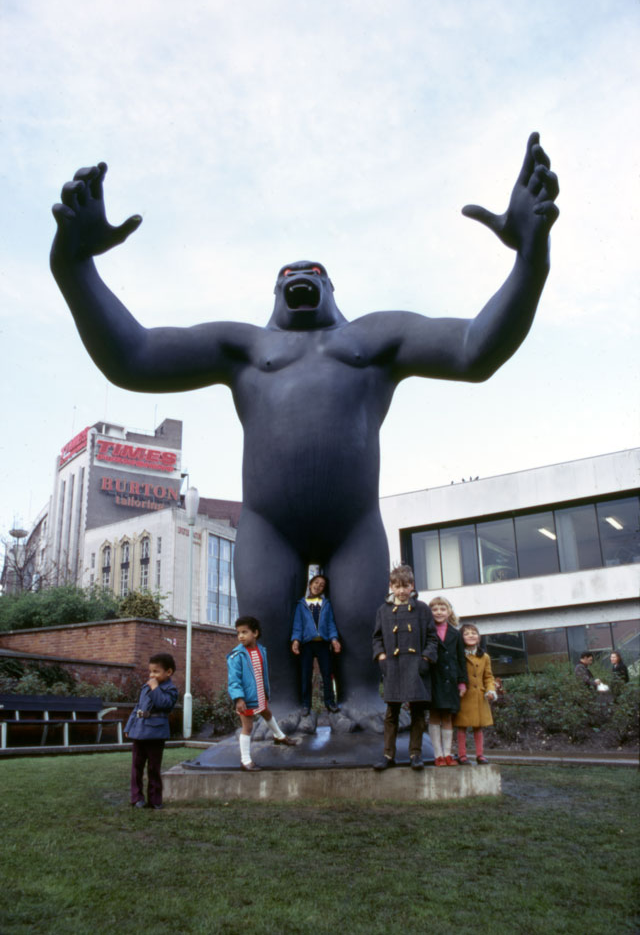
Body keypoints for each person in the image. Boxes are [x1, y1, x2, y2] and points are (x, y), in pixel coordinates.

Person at [50, 133, 559, 724]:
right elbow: (132, 357)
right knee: (278, 680)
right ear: (276, 293)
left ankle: (365, 705)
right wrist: (73, 265)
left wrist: (531, 258)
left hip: (354, 525)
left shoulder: (372, 338)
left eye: (314, 273)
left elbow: (476, 350)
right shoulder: (245, 346)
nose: (301, 278)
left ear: (331, 289)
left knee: (368, 674)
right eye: (289, 275)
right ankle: (284, 709)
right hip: (269, 526)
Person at [372, 565, 438, 770]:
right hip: (393, 667)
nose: (401, 591)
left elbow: (432, 638)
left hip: (416, 668)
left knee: (418, 713)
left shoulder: (423, 609)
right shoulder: (383, 610)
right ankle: (388, 755)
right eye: (397, 586)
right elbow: (377, 638)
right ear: (391, 586)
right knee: (392, 713)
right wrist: (382, 657)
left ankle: (415, 754)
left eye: (405, 586)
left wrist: (425, 660)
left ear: (412, 586)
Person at [227, 615, 297, 771]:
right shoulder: (236, 656)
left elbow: (260, 673)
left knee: (266, 712)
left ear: (255, 633)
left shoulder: (261, 650)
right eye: (238, 633)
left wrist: (265, 691)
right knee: (248, 728)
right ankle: (245, 760)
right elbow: (234, 680)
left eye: (244, 632)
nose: (240, 636)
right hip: (245, 698)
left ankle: (279, 736)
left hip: (259, 693)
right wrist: (239, 698)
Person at [125, 652, 178, 810]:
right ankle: (137, 798)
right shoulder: (145, 687)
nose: (151, 675)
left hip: (156, 733)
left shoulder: (171, 689)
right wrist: (129, 726)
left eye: (156, 671)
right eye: (150, 671)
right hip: (139, 731)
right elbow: (137, 708)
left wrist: (155, 688)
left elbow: (164, 704)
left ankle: (155, 800)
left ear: (168, 672)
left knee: (153, 768)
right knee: (137, 767)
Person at [291, 574, 341, 715]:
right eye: (316, 582)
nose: (318, 586)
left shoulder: (326, 604)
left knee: (327, 674)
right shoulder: (301, 604)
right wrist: (296, 640)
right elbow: (298, 625)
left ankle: (330, 703)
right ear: (310, 584)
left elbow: (331, 624)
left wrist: (334, 639)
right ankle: (306, 705)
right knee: (306, 674)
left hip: (323, 644)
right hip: (307, 644)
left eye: (322, 585)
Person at [428, 596, 467, 766]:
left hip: (450, 681)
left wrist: (462, 682)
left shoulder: (456, 634)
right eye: (435, 609)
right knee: (434, 715)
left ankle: (448, 753)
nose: (438, 612)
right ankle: (438, 755)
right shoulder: (427, 632)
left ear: (449, 611)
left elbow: (460, 659)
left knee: (448, 717)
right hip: (433, 680)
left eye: (442, 609)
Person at [454, 623, 497, 765]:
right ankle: (462, 755)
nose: (471, 635)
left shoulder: (485, 657)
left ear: (479, 638)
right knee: (462, 726)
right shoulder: (458, 655)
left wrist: (490, 690)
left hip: (479, 696)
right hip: (463, 695)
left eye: (474, 633)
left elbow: (488, 676)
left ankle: (480, 755)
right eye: (466, 633)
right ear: (461, 638)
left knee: (479, 726)